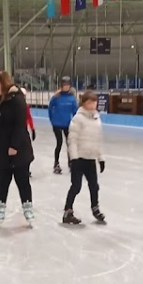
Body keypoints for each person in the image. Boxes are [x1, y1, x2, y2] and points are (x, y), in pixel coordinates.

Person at [0, 70, 34, 226]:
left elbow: (20, 125)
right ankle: (0, 208)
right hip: (1, 148)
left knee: (23, 181)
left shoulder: (17, 99)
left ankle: (27, 207)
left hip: (19, 150)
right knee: (2, 182)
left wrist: (14, 145)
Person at [62, 89, 106, 225]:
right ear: (83, 103)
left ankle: (95, 208)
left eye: (94, 102)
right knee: (76, 186)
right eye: (89, 102)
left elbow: (98, 140)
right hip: (79, 158)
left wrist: (101, 158)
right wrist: (73, 158)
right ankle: (68, 211)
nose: (92, 105)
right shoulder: (78, 118)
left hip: (90, 158)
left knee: (94, 186)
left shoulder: (97, 119)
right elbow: (72, 139)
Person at [48, 76, 78, 174]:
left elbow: (75, 111)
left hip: (67, 124)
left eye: (68, 85)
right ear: (61, 86)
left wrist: (76, 122)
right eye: (64, 85)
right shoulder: (56, 97)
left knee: (70, 144)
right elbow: (50, 108)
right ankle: (56, 163)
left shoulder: (72, 98)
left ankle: (71, 162)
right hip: (56, 124)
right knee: (59, 143)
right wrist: (52, 119)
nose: (66, 87)